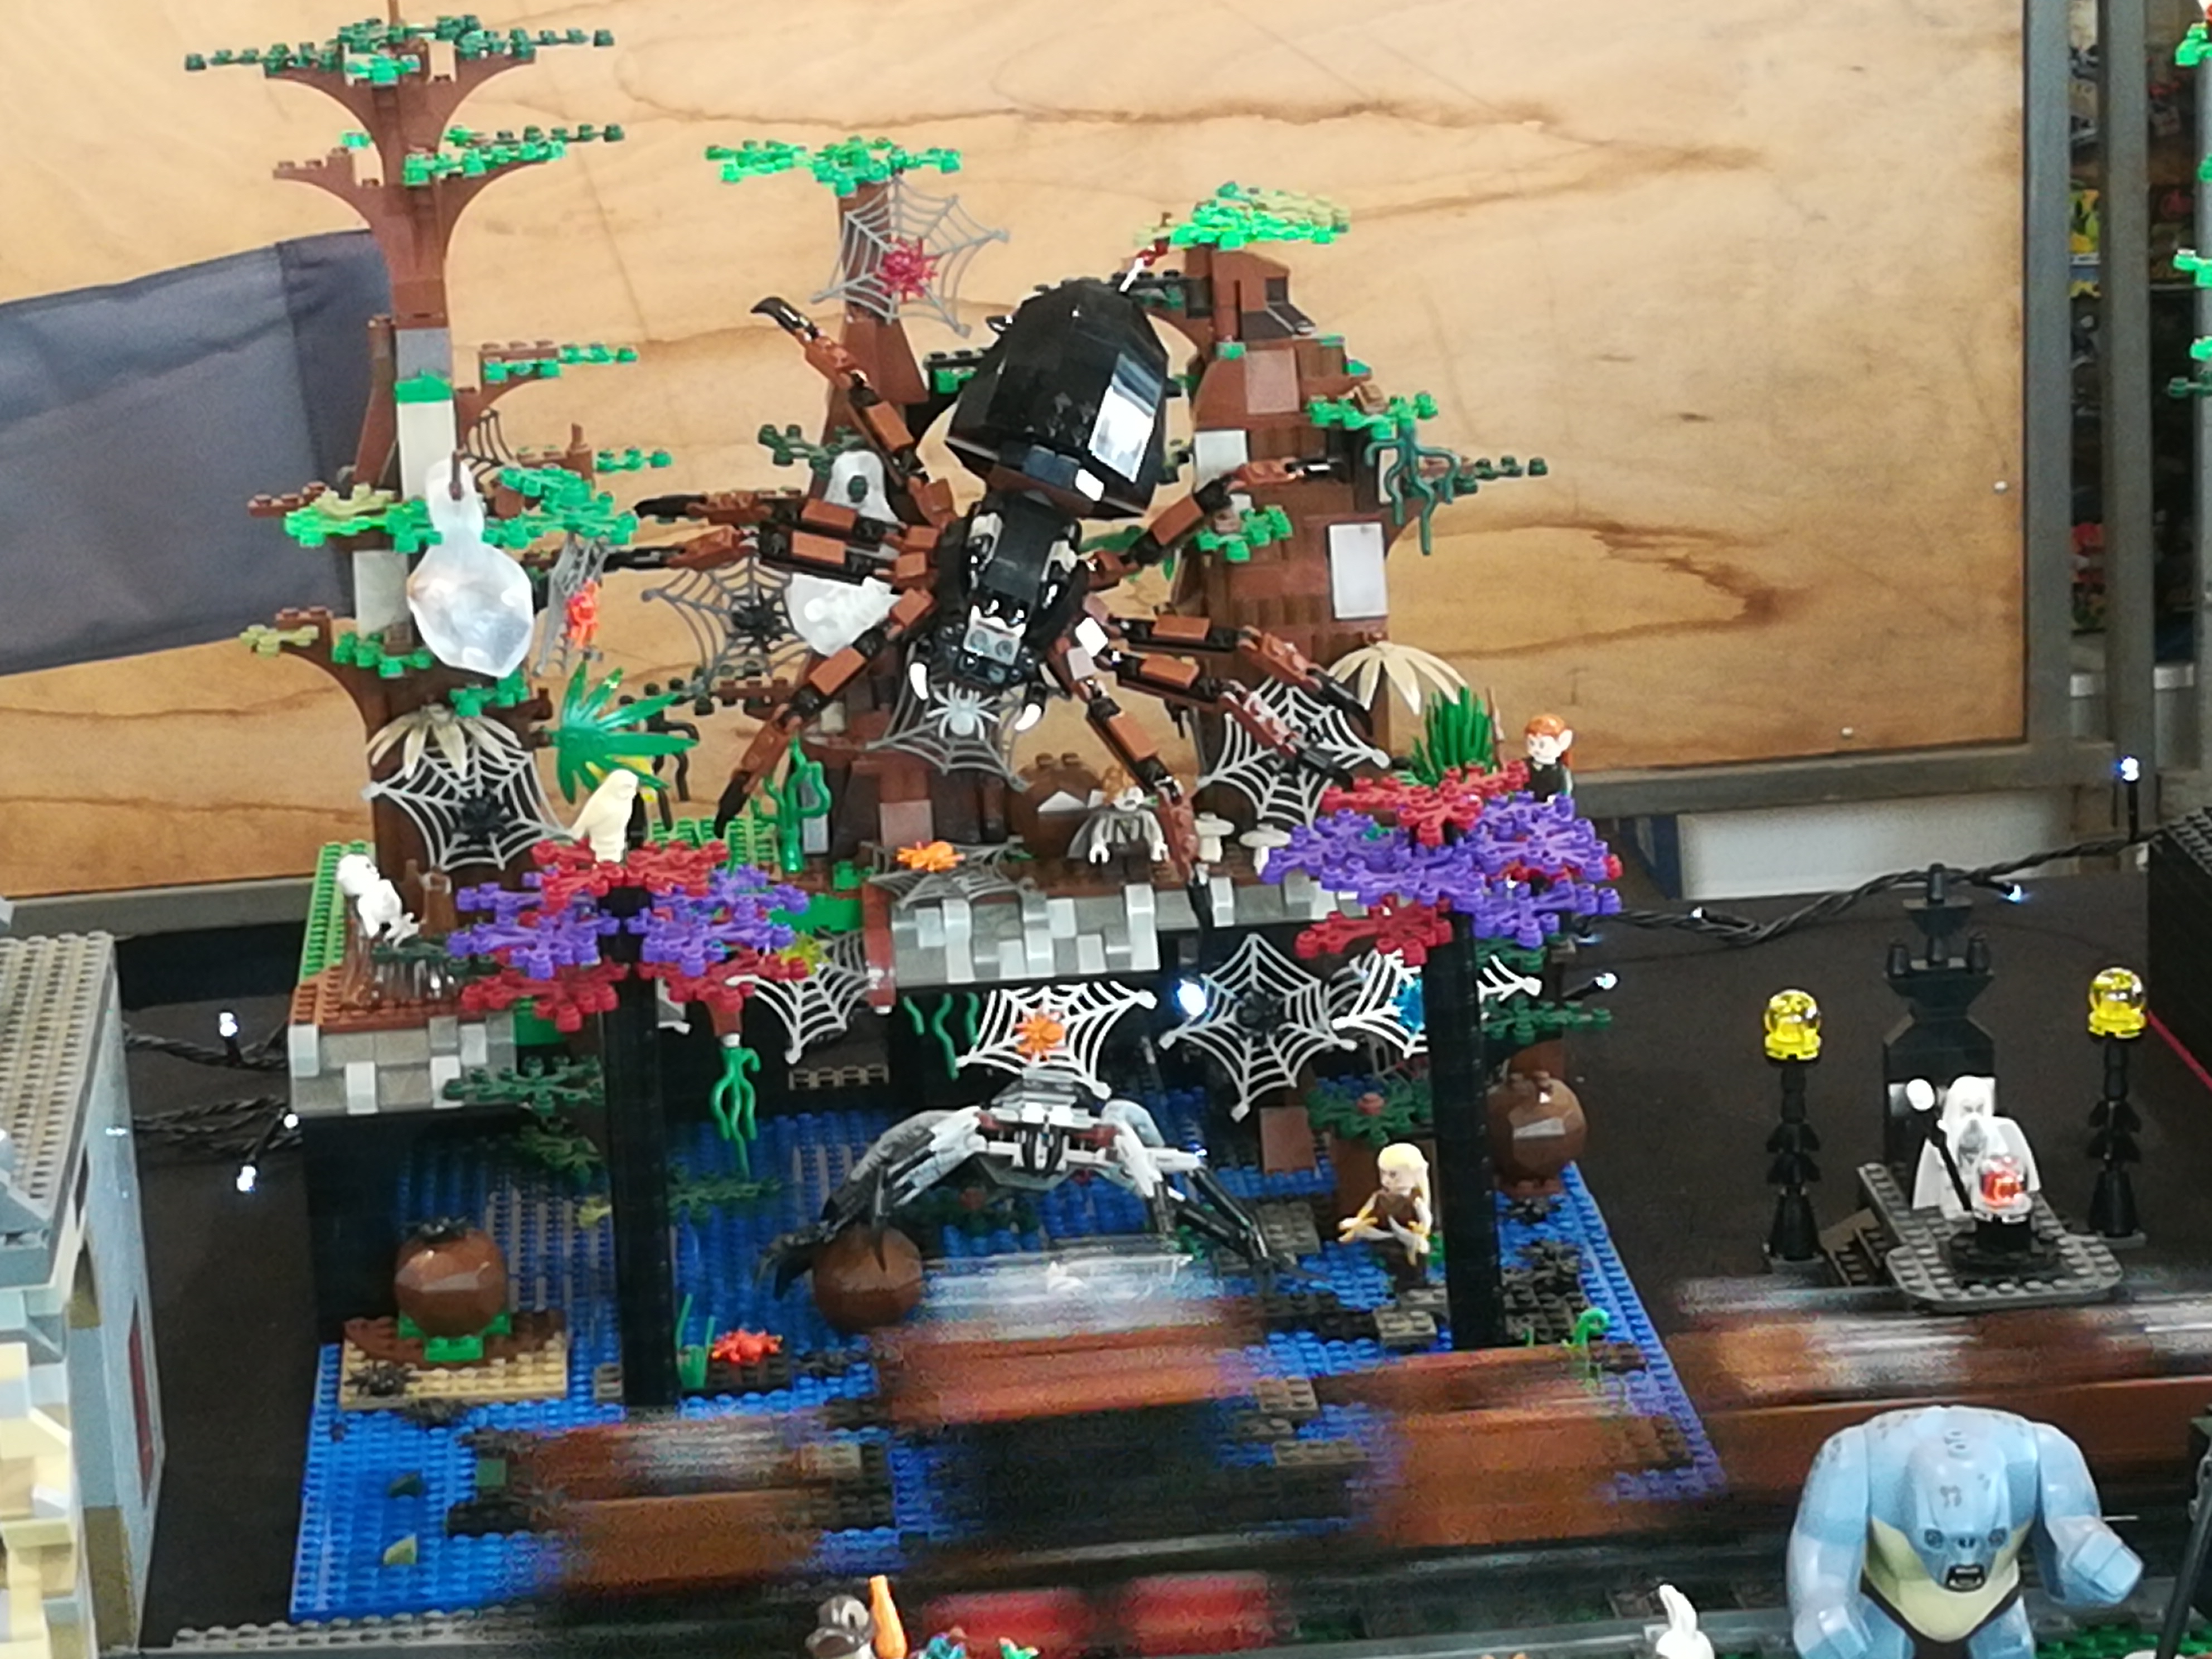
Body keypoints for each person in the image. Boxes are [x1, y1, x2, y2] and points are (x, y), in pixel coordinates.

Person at [1338, 1141, 1433, 1289]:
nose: (1386, 1180)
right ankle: (1401, 1279)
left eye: (1393, 1175)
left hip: (1409, 1233)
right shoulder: (1380, 1196)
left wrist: (1423, 1228)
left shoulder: (1414, 1199)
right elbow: (1367, 1210)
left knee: (1417, 1250)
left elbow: (1425, 1217)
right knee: (1387, 1252)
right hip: (1385, 1232)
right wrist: (1358, 1221)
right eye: (1383, 1173)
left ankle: (1416, 1279)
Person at [1524, 714, 1574, 799]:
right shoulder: (1524, 766)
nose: (1536, 749)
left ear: (1563, 742)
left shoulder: (1560, 771)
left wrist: (1556, 799)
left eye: (1542, 745)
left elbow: (1565, 792)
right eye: (1532, 743)